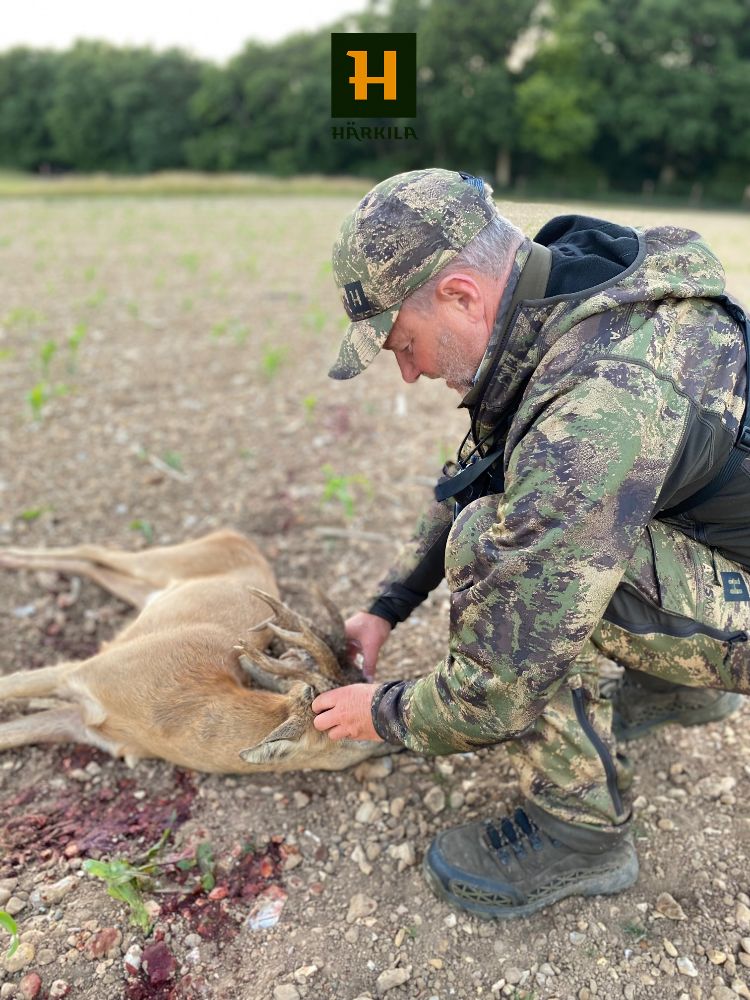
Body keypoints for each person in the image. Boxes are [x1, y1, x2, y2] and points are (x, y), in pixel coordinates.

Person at [310, 167, 750, 920]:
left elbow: (500, 690)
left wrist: (381, 713)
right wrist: (387, 606)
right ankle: (681, 688)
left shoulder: (599, 404)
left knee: (511, 563)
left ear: (459, 294)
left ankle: (580, 832)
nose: (410, 372)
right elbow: (487, 470)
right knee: (552, 523)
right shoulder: (579, 287)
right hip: (725, 546)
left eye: (403, 344)